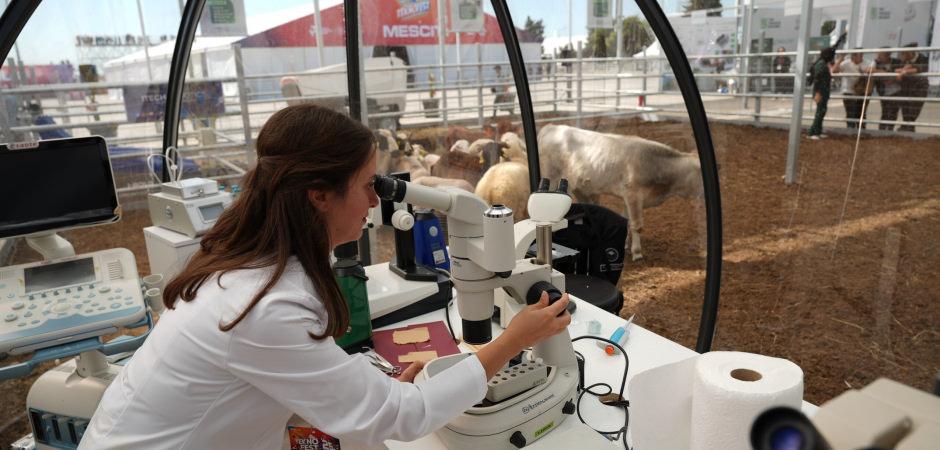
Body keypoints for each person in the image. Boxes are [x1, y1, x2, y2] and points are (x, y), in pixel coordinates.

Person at [78, 104, 572, 449]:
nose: (378, 200)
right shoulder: (263, 303)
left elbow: (275, 376)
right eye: (365, 185)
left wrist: (361, 389)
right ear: (318, 194)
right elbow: (402, 417)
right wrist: (511, 341)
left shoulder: (246, 261)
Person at [832, 50, 874, 129]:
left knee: (861, 113)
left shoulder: (868, 63)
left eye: (860, 55)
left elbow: (872, 71)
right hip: (848, 91)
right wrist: (841, 58)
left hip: (862, 92)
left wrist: (863, 72)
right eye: (854, 55)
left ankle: (861, 130)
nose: (860, 57)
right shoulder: (846, 63)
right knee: (850, 113)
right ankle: (850, 131)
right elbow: (834, 71)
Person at [895, 43, 929, 132]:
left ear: (910, 53)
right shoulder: (903, 60)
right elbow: (895, 69)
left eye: (904, 53)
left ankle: (909, 127)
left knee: (914, 109)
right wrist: (905, 69)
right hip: (906, 87)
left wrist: (904, 71)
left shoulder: (922, 58)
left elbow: (918, 69)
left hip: (919, 88)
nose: (902, 56)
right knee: (905, 108)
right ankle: (907, 127)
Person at [807, 47, 836, 140]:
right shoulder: (821, 65)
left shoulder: (822, 63)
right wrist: (818, 93)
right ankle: (813, 132)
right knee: (820, 112)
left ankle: (818, 131)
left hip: (823, 91)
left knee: (822, 111)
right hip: (820, 91)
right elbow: (817, 79)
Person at [872, 49, 903, 131]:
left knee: (893, 112)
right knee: (885, 112)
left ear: (887, 55)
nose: (878, 57)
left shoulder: (897, 62)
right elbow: (869, 70)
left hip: (896, 91)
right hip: (884, 92)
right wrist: (884, 72)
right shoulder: (876, 63)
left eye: (880, 55)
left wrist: (892, 79)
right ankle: (882, 130)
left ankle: (890, 130)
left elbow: (901, 75)